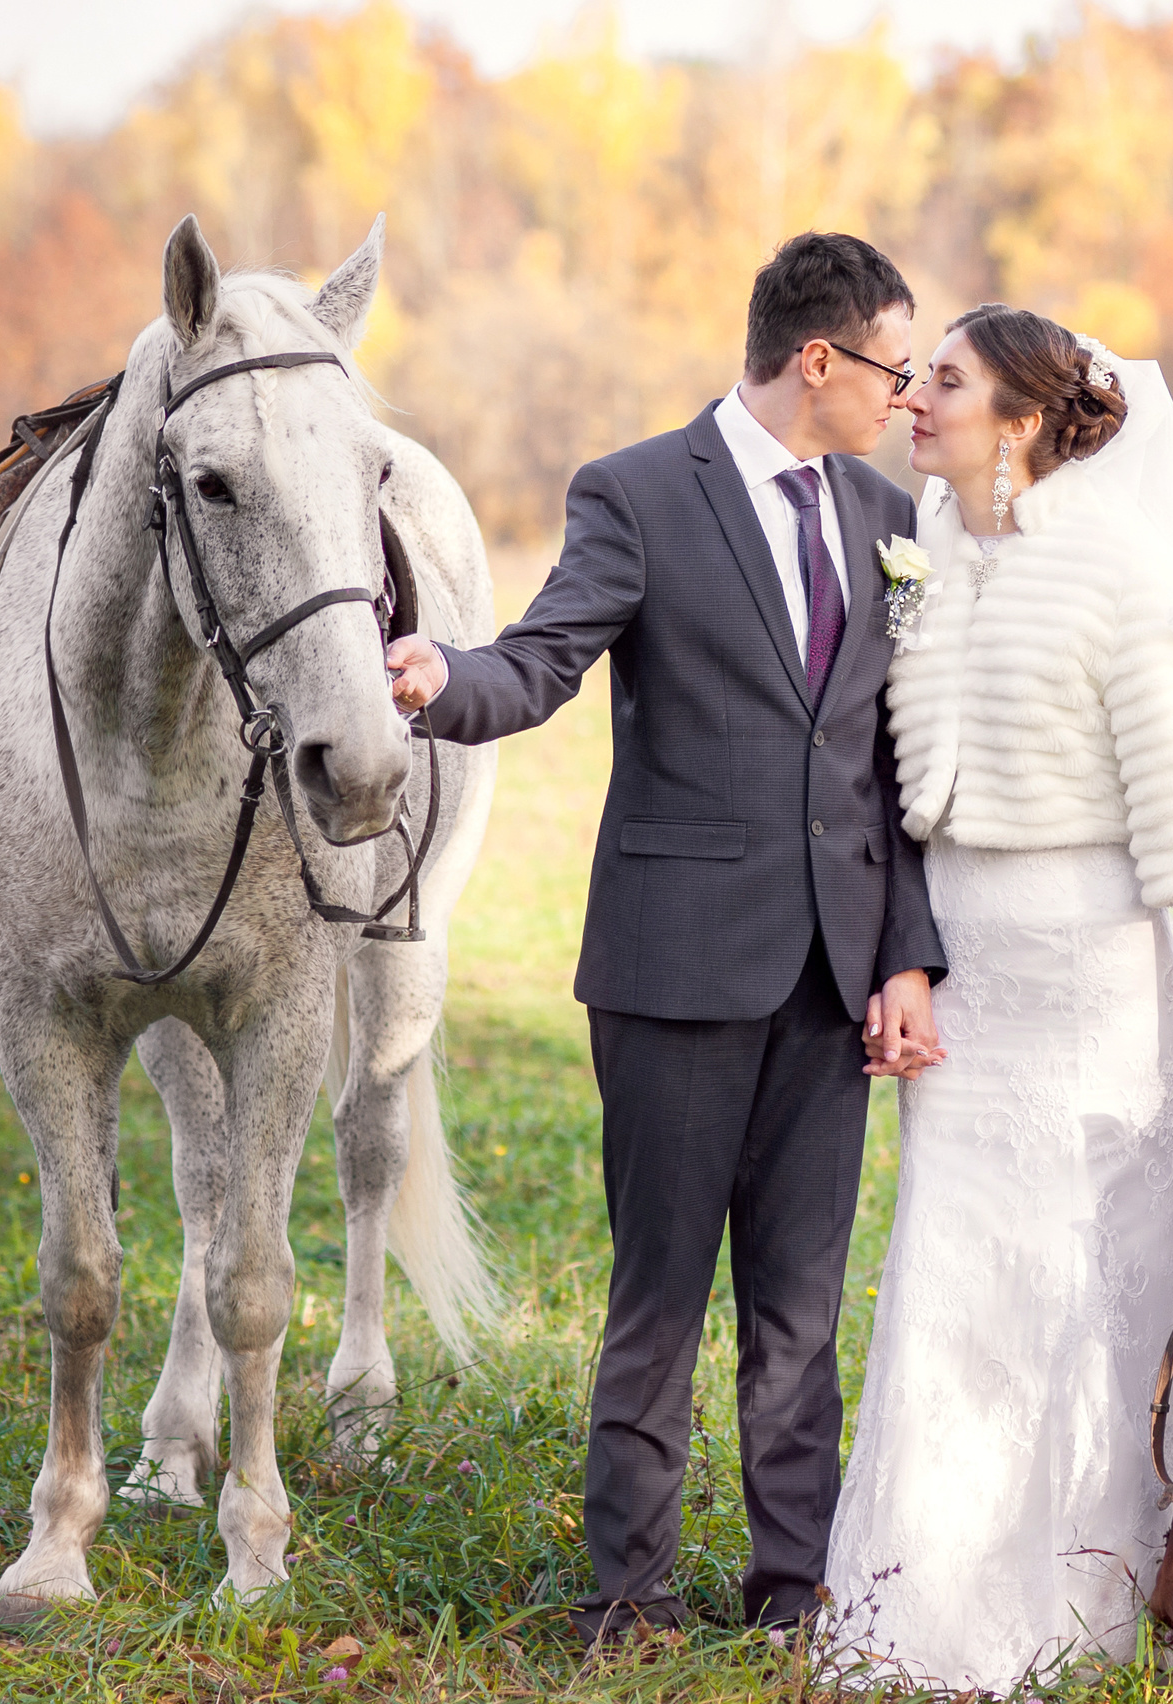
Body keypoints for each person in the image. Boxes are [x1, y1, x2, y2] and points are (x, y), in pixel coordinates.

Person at [383, 232, 950, 1644]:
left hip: (833, 976)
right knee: (658, 1302)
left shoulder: (892, 513)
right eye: (890, 362)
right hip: (675, 965)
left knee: (800, 1314)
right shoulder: (638, 491)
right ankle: (623, 1598)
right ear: (816, 358)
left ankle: (791, 1593)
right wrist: (442, 676)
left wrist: (903, 953)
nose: (903, 392)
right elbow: (546, 655)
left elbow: (893, 759)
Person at [821, 305, 1173, 1693]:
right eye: (917, 374)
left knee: (1093, 1257)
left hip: (1091, 961)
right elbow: (878, 796)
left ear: (1029, 423)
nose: (912, 398)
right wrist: (899, 957)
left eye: (945, 381)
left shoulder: (1120, 579)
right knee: (959, 1260)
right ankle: (927, 1596)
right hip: (959, 962)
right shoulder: (918, 562)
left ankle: (1108, 1581)